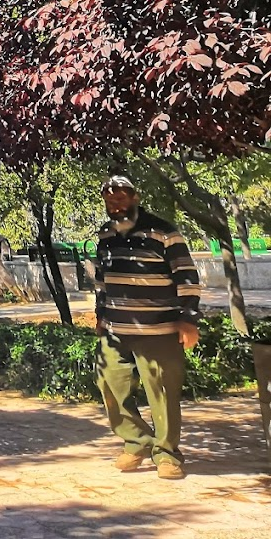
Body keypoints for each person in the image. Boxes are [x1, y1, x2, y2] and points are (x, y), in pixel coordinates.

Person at [93, 175, 201, 480]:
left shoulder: (163, 232)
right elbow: (102, 279)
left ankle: (167, 455)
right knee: (110, 385)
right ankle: (136, 442)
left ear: (135, 197)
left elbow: (187, 276)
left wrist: (188, 319)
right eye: (109, 199)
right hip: (115, 330)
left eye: (120, 197)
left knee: (162, 394)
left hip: (159, 330)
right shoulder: (105, 234)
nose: (115, 204)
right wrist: (100, 314)